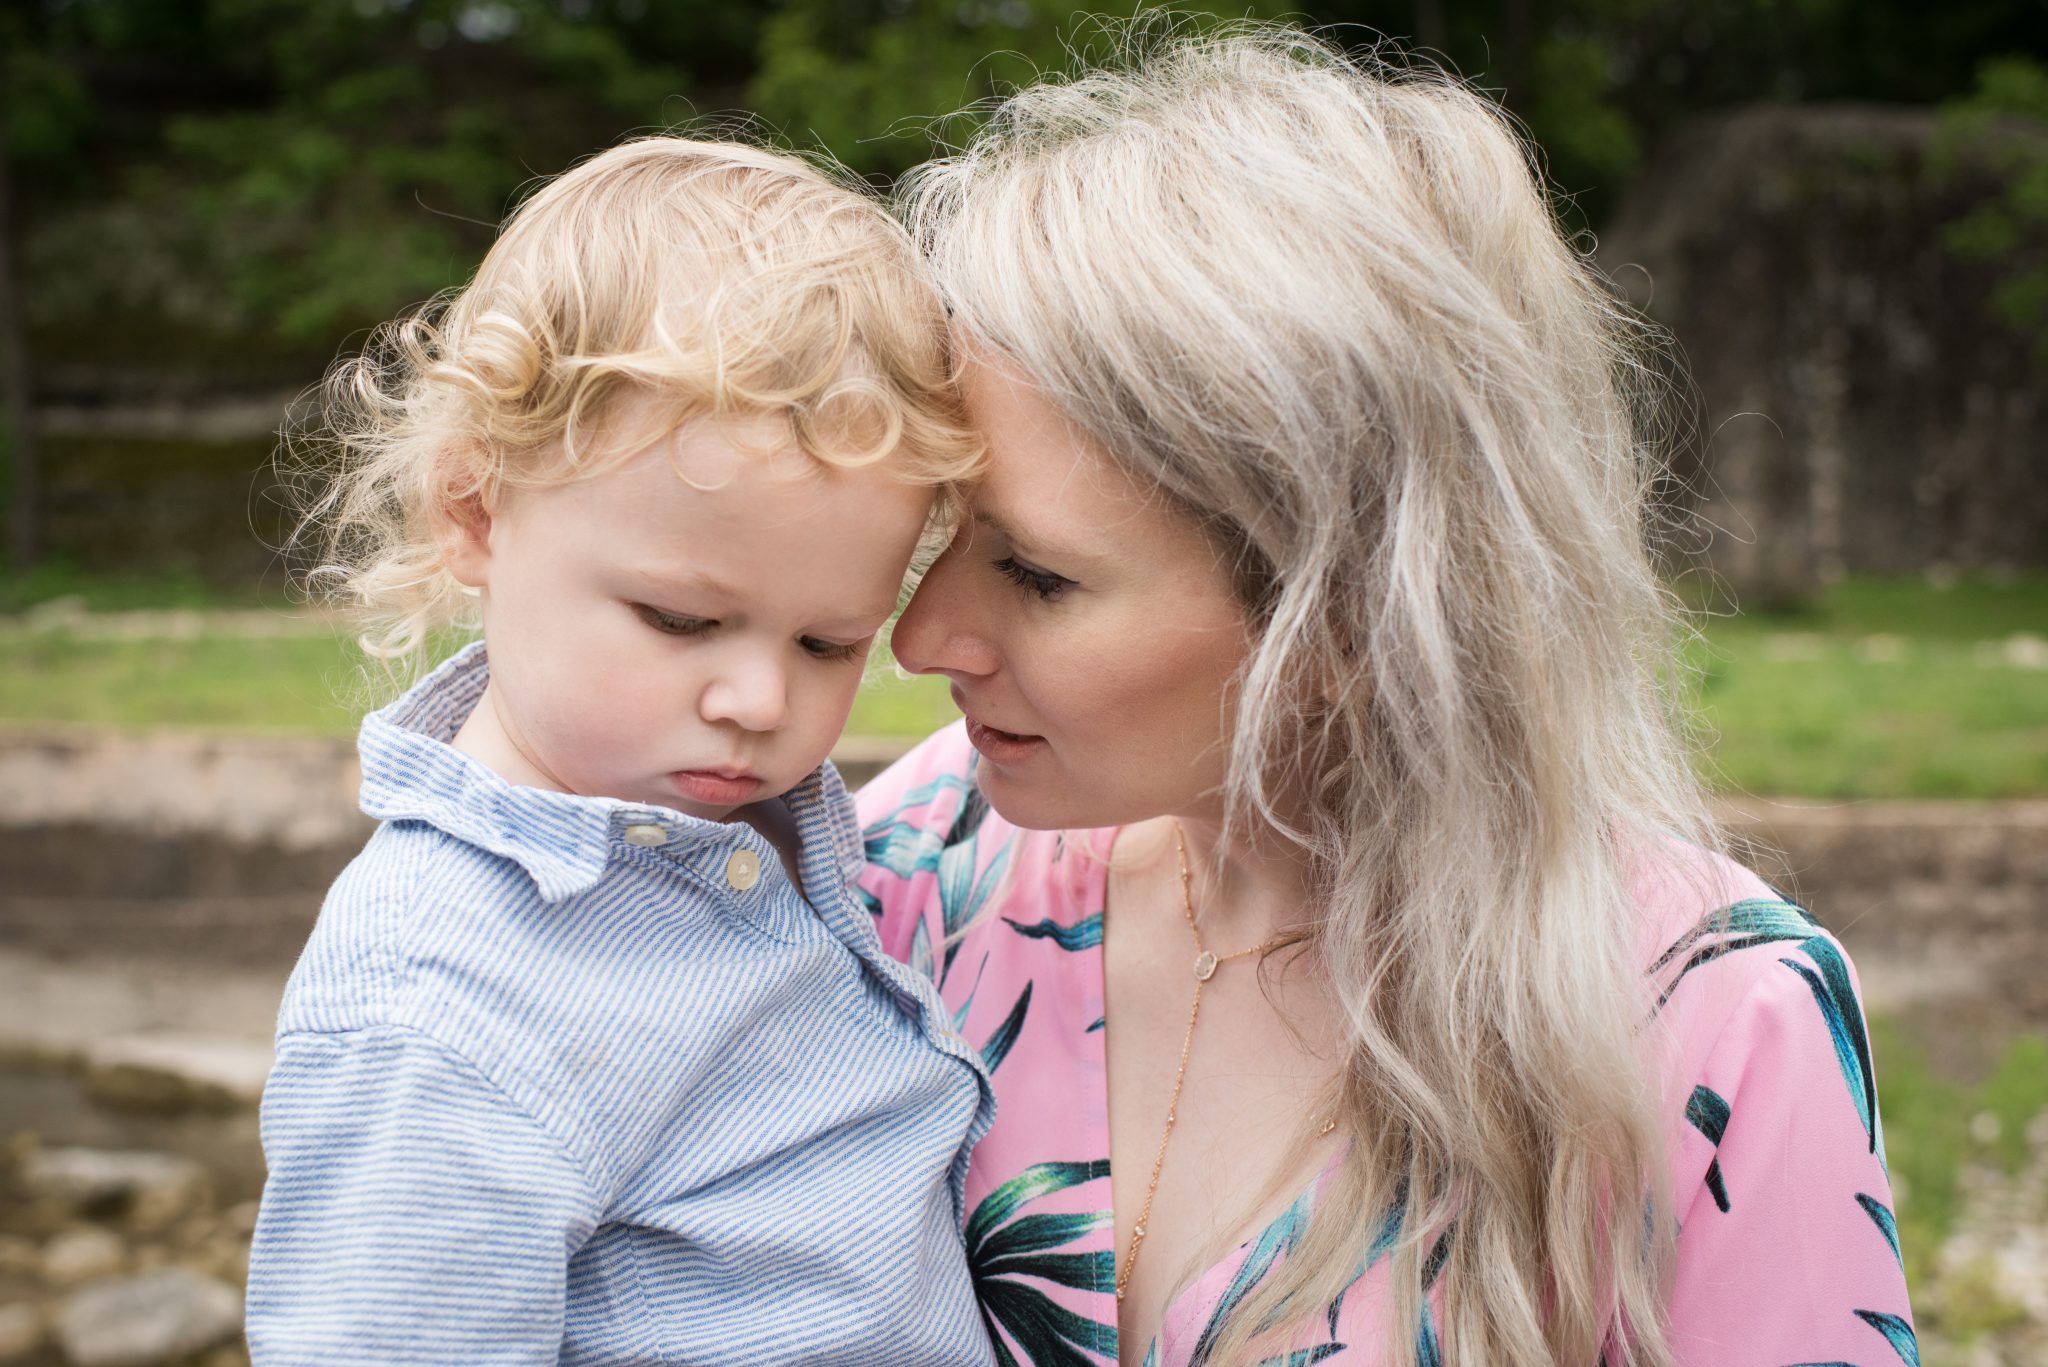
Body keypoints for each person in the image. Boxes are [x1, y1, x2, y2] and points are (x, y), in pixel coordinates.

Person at [857, 26, 1916, 1367]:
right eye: (941, 531)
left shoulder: (1705, 1028)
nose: (921, 636)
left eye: (1036, 574)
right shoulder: (918, 873)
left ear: (1355, 608)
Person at [246, 137, 997, 1364]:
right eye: (681, 619)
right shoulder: (435, 1003)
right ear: (475, 509)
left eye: (829, 641)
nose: (759, 698)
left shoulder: (749, 823)